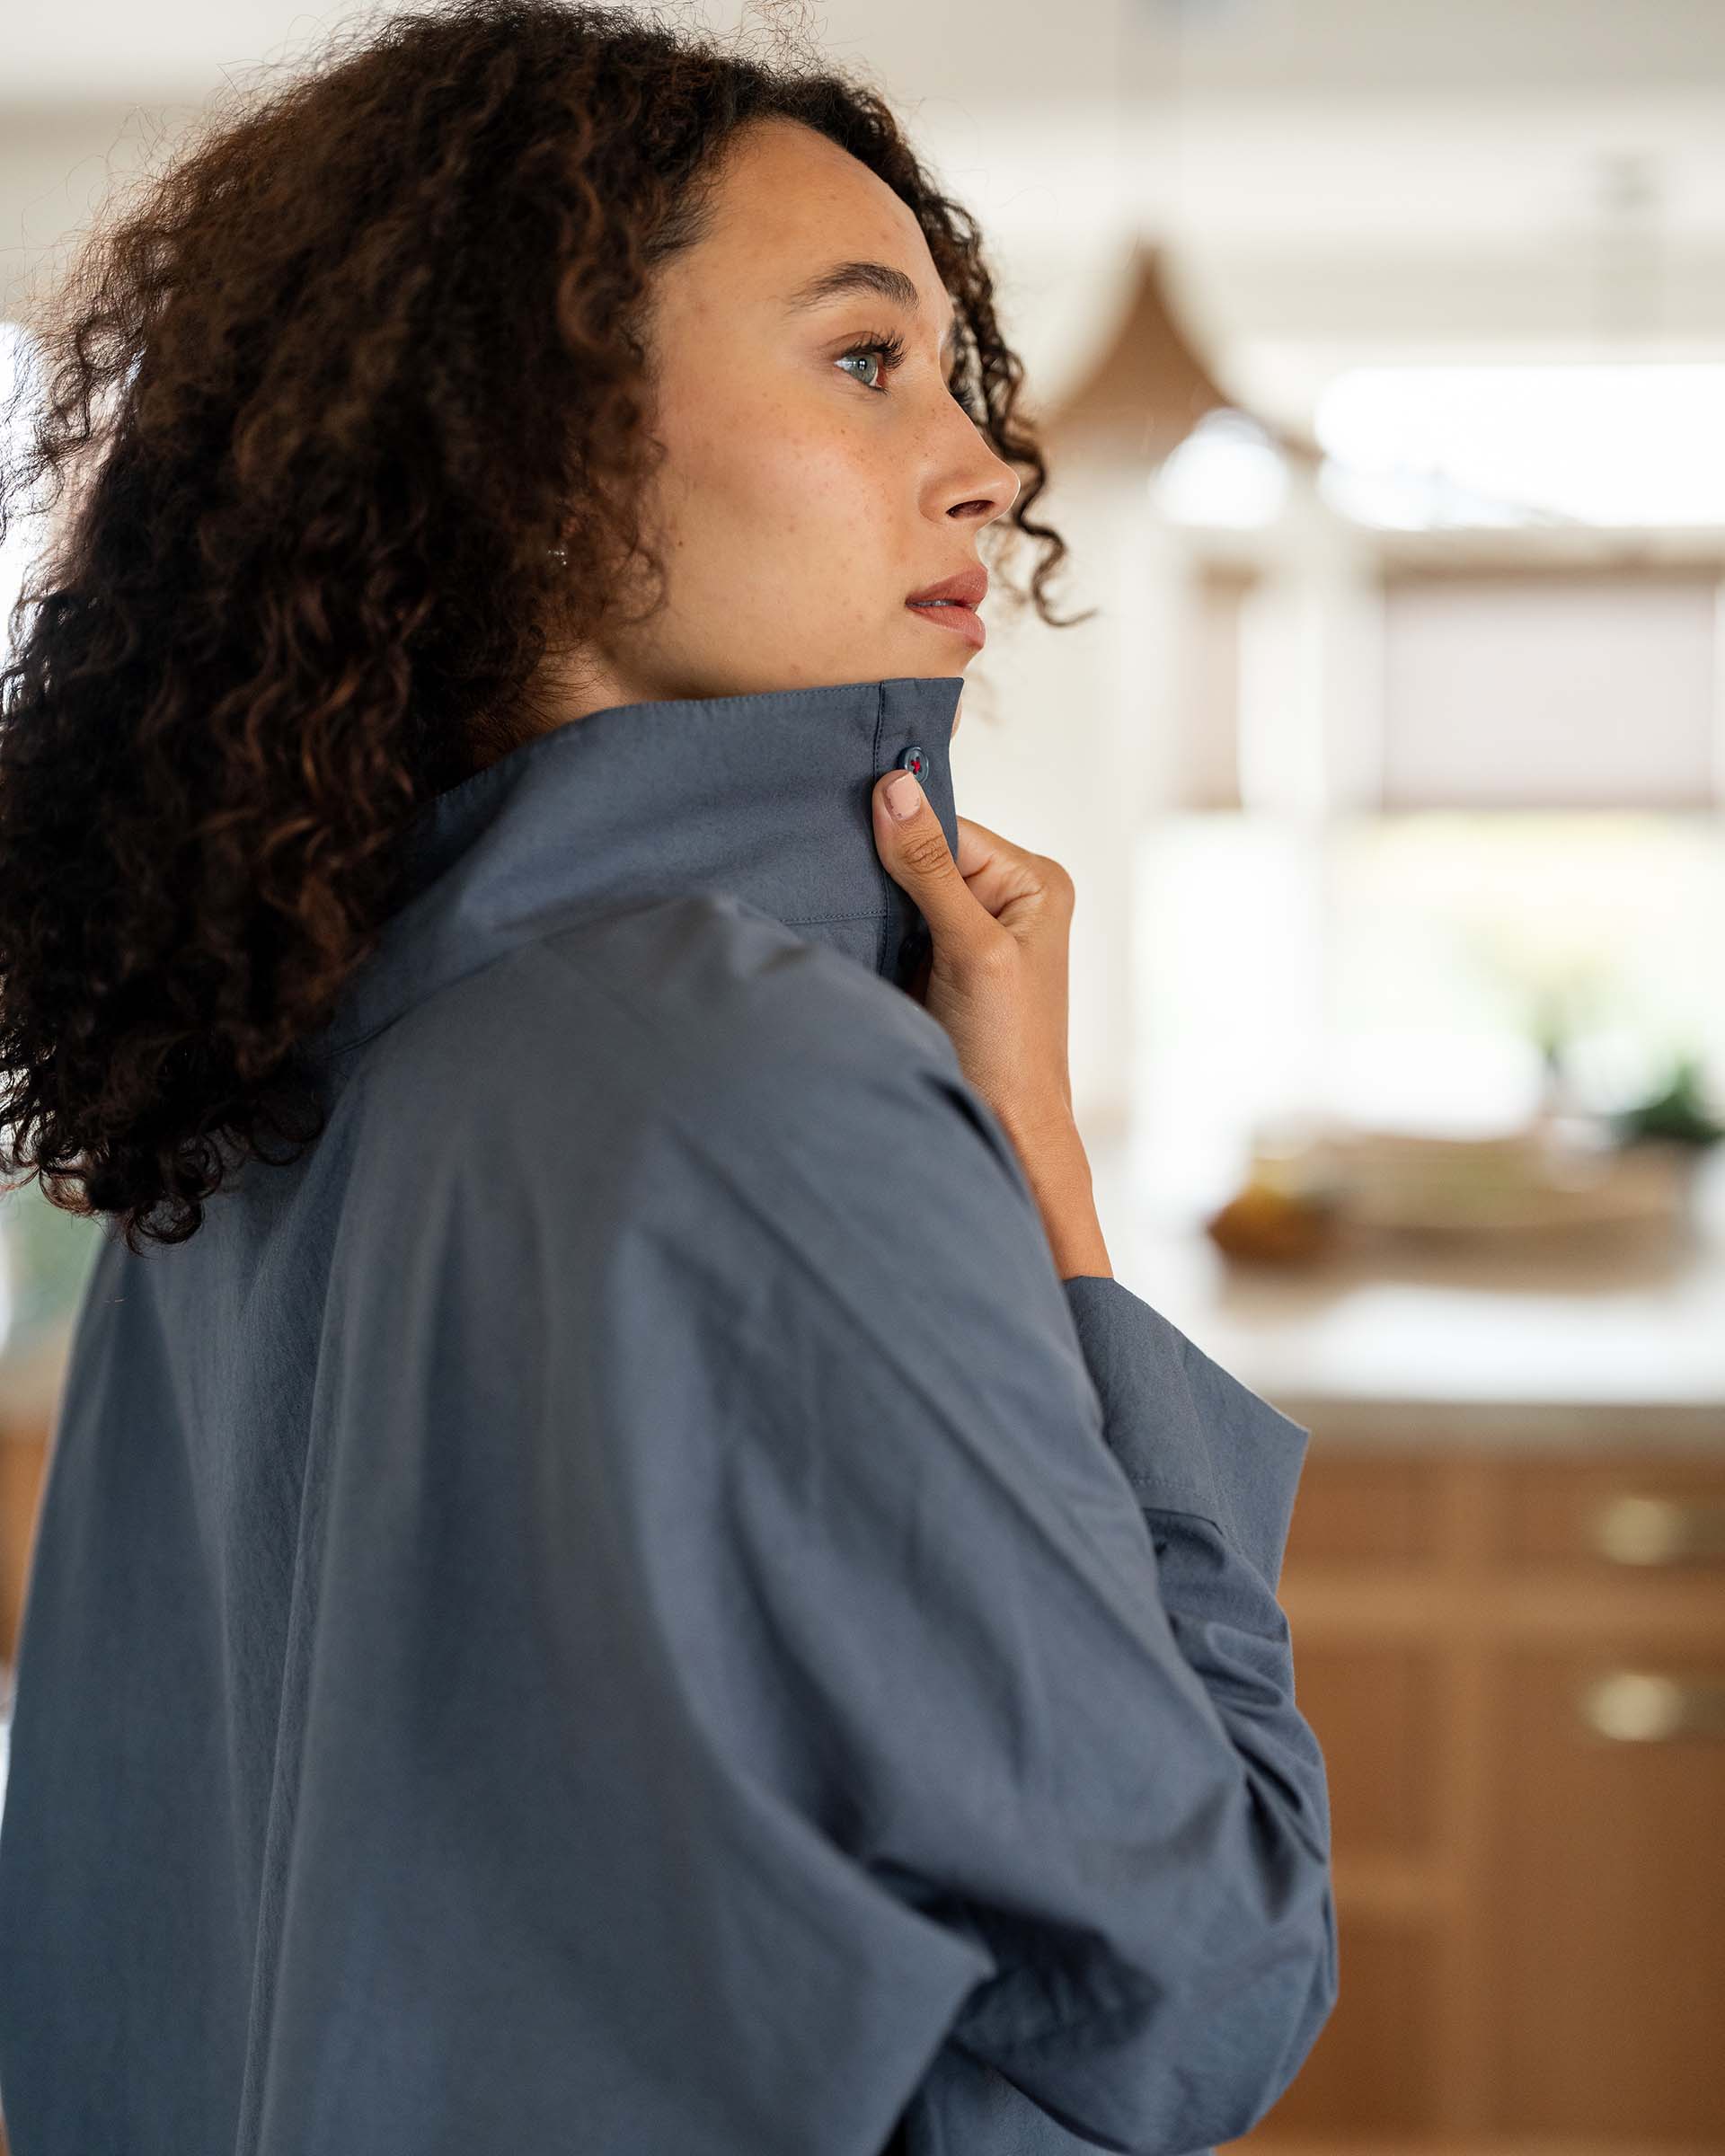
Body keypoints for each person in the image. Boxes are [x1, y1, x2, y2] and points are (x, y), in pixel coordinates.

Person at [0, 4, 1338, 2152]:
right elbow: (1198, 1990)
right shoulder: (760, 1086)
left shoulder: (264, 1064)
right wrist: (1048, 1193)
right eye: (861, 356)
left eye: (954, 367)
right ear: (524, 445)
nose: (986, 456)